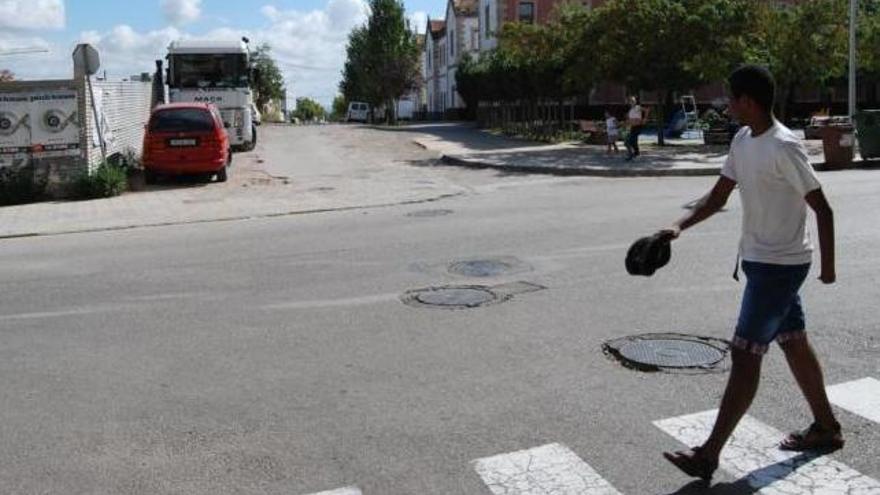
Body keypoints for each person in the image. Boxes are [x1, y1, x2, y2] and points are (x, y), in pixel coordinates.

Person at [658, 65, 841, 481]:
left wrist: (828, 268)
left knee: (745, 353)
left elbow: (823, 208)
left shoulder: (784, 146)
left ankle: (709, 453)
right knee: (793, 342)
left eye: (732, 98)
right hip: (760, 261)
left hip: (781, 266)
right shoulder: (743, 141)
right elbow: (719, 195)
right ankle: (827, 426)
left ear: (750, 101)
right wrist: (678, 225)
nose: (727, 105)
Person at [624, 96, 646, 161]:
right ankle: (636, 153)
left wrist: (644, 119)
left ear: (635, 101)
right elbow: (629, 120)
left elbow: (647, 110)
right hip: (632, 127)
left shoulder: (638, 107)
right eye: (630, 101)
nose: (632, 102)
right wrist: (626, 124)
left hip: (637, 127)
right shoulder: (630, 110)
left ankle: (632, 154)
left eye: (633, 101)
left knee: (628, 142)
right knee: (633, 141)